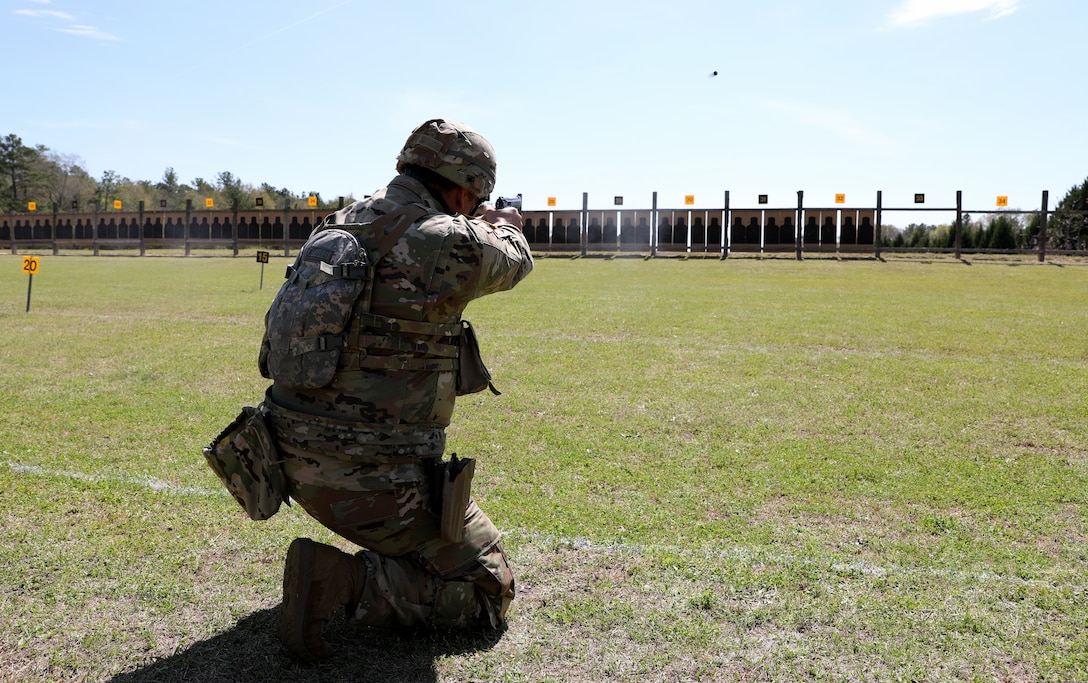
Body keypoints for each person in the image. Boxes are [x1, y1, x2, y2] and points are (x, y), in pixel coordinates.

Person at [259, 118, 533, 660]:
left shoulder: (339, 221)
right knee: (489, 592)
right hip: (368, 478)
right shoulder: (445, 237)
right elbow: (514, 262)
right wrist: (504, 223)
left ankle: (361, 568)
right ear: (462, 190)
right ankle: (341, 581)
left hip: (279, 456)